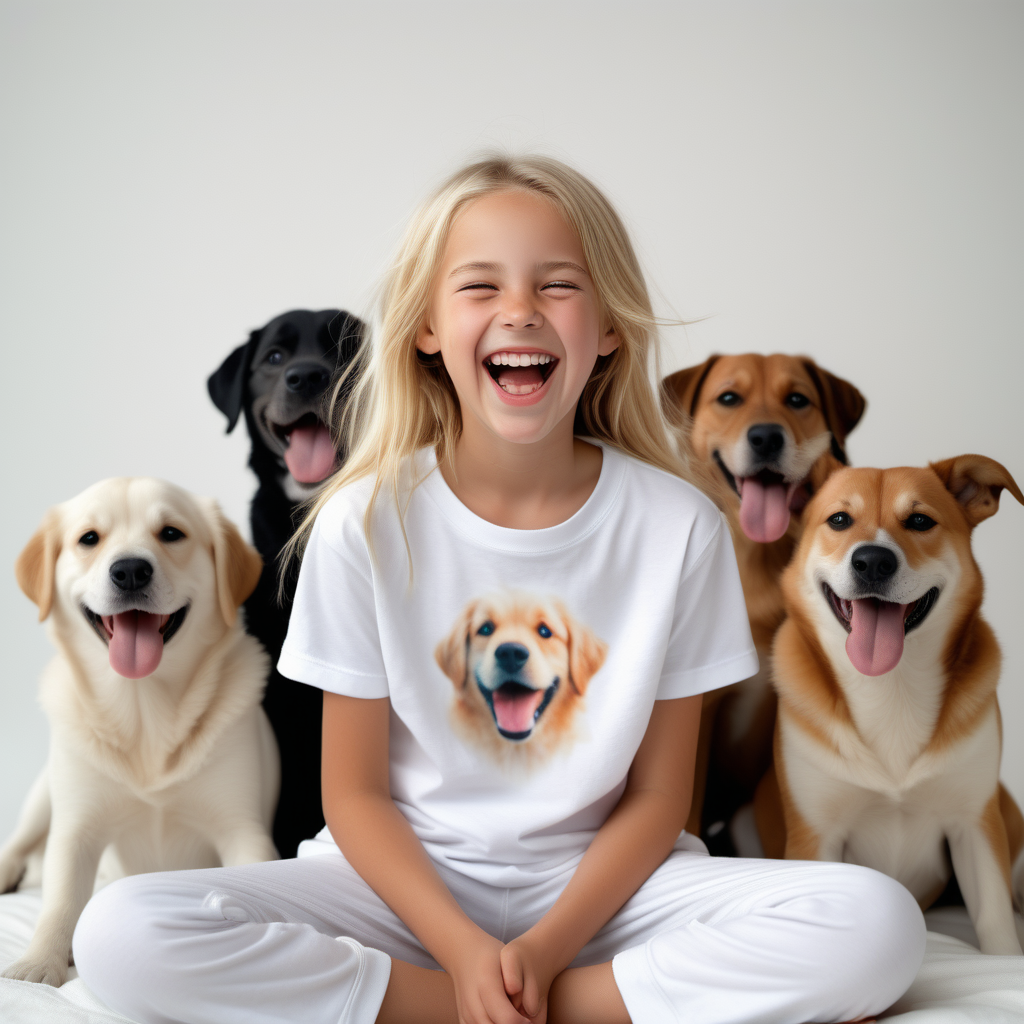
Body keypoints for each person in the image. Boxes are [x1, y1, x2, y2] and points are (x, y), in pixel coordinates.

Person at [72, 156, 926, 1024]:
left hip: (612, 894)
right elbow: (354, 794)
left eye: (558, 285)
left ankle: (529, 1004)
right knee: (118, 933)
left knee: (878, 924)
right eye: (480, 286)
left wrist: (547, 954)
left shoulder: (682, 526)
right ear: (428, 329)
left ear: (609, 329)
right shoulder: (359, 520)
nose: (519, 310)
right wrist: (461, 952)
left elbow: (663, 797)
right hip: (396, 890)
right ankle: (462, 1003)